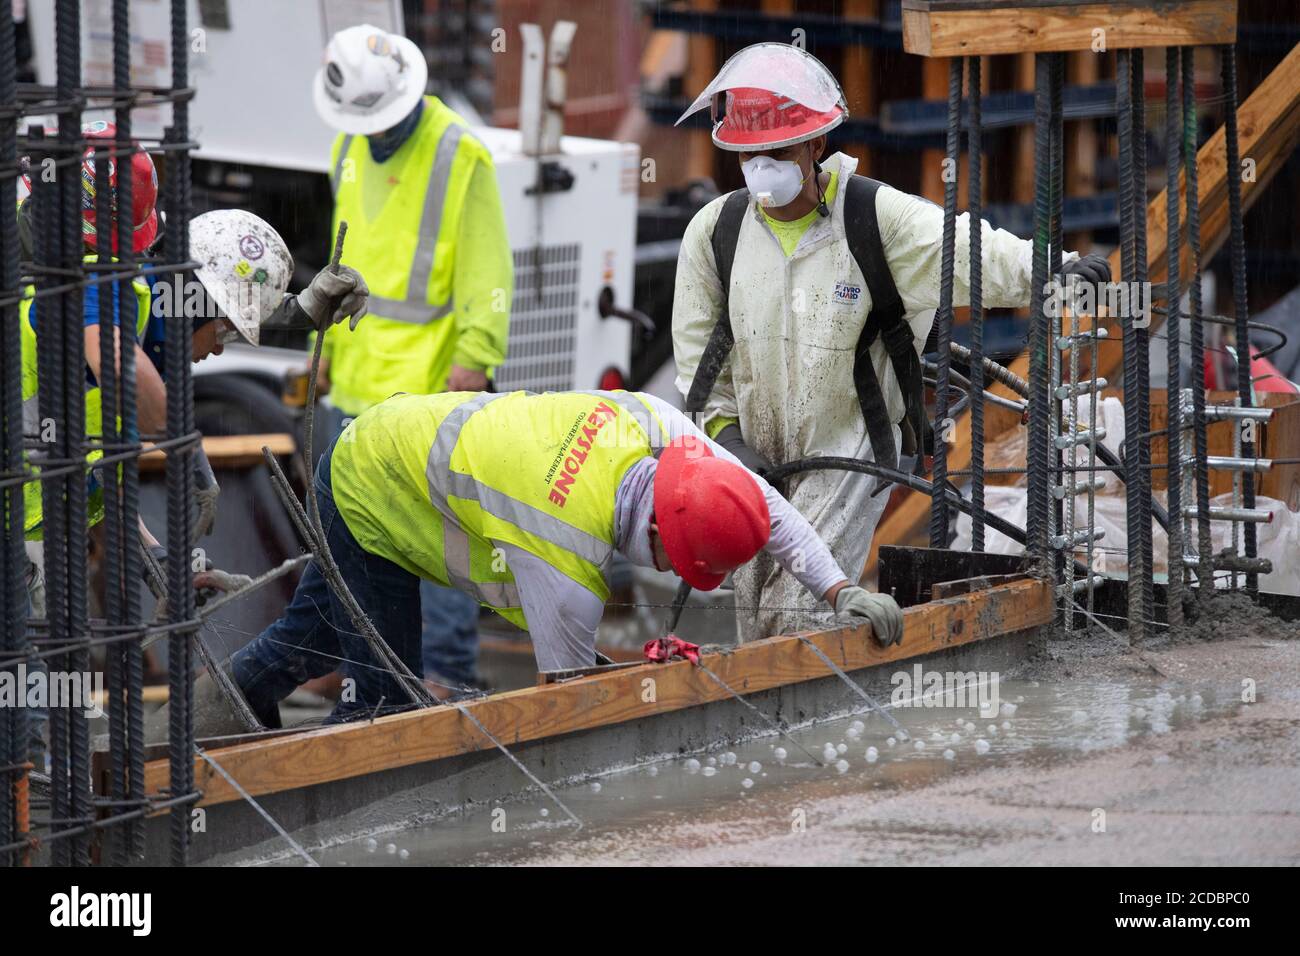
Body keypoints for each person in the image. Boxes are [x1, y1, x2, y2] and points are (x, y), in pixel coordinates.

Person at [671, 43, 1112, 640]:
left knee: (797, 613)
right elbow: (700, 363)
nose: (760, 166)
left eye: (775, 150)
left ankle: (802, 718)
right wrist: (726, 441)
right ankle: (784, 721)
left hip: (849, 446)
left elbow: (963, 248)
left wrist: (1052, 268)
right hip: (753, 455)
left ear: (814, 146)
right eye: (748, 153)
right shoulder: (716, 234)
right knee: (755, 615)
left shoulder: (873, 218)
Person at [229, 388, 903, 726]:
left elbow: (765, 509)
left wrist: (840, 590)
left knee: (311, 637)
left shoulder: (659, 428)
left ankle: (215, 718)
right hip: (371, 486)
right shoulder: (562, 558)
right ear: (661, 537)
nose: (672, 577)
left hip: (401, 435)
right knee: (382, 708)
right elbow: (569, 713)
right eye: (680, 566)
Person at [312, 23, 515, 694]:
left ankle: (448, 672)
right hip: (360, 379)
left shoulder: (461, 154)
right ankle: (370, 670)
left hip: (429, 386)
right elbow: (347, 261)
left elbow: (489, 267)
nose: (375, 132)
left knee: (444, 535)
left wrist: (476, 357)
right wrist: (329, 352)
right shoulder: (350, 144)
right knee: (357, 538)